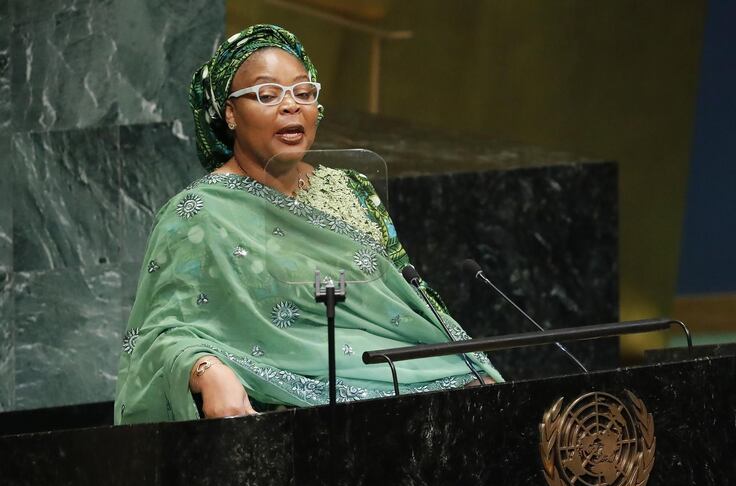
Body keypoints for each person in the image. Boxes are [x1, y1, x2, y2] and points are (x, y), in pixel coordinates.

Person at [114, 24, 501, 425]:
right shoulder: (199, 213)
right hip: (292, 406)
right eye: (267, 95)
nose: (290, 106)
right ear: (230, 113)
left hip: (396, 375)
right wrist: (206, 370)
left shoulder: (352, 189)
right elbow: (159, 339)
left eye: (303, 92)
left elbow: (405, 302)